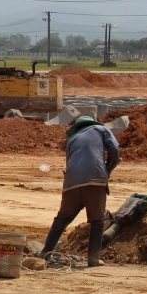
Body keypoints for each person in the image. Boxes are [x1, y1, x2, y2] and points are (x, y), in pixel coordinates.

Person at [39, 115, 120, 268]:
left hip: (71, 183)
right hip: (95, 181)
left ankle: (45, 253)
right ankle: (93, 259)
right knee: (97, 220)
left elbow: (70, 162)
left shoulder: (72, 139)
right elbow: (115, 149)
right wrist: (108, 169)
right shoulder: (101, 129)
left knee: (62, 218)